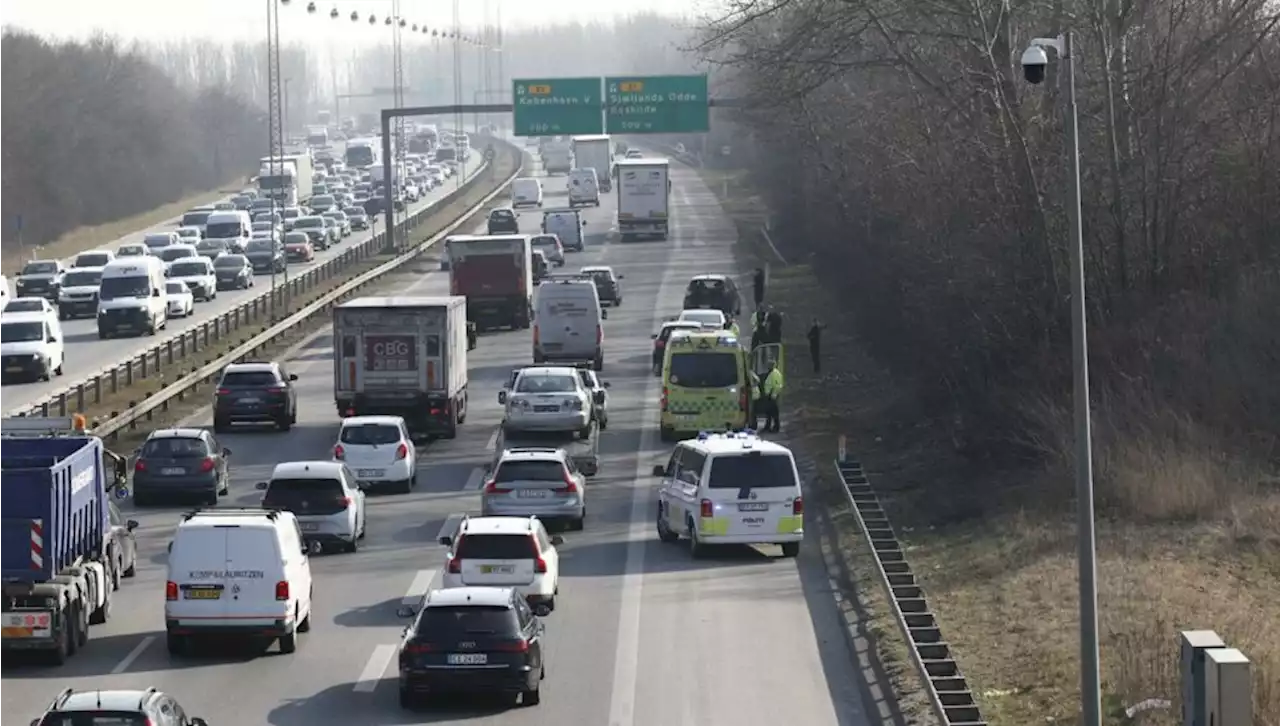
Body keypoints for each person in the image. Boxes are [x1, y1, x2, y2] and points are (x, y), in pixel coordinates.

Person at [756, 360, 785, 433]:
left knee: (774, 413)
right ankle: (767, 426)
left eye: (769, 365)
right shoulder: (772, 373)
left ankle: (776, 427)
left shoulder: (775, 374)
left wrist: (773, 394)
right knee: (768, 412)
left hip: (772, 396)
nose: (767, 367)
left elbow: (778, 386)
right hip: (769, 395)